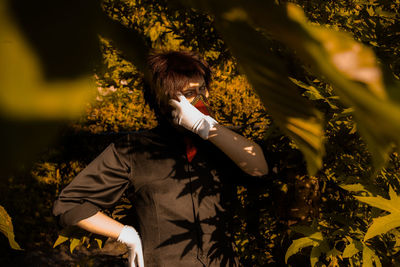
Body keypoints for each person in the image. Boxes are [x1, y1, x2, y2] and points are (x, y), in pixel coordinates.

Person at [53, 50, 268, 267]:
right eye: (190, 93)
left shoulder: (223, 141)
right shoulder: (134, 149)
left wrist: (210, 129)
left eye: (203, 89)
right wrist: (126, 235)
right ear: (165, 100)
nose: (203, 98)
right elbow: (70, 204)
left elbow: (259, 168)